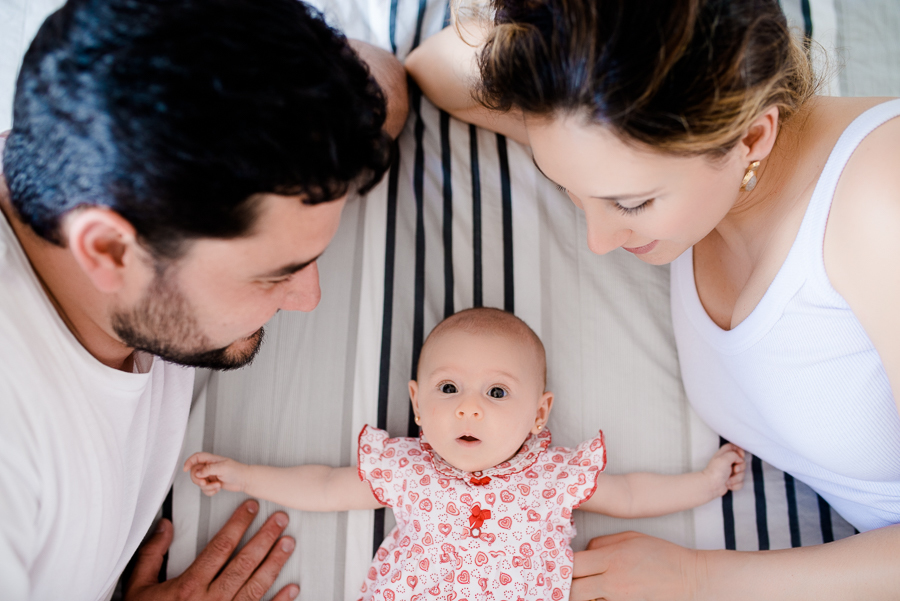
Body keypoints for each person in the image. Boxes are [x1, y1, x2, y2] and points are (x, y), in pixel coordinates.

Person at [405, 0, 900, 599]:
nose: (598, 241)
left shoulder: (882, 199)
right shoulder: (647, 144)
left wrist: (698, 578)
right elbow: (434, 70)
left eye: (632, 204)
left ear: (751, 135)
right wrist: (563, 36)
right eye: (569, 192)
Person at [0, 0, 408, 599]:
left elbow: (384, 83)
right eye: (275, 274)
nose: (308, 299)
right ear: (110, 251)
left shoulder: (105, 154)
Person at [183, 307, 746, 601]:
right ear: (418, 405)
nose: (468, 409)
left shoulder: (552, 476)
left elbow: (631, 494)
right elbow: (328, 487)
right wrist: (243, 473)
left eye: (497, 393)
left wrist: (704, 482)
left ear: (539, 414)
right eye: (448, 389)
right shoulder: (408, 469)